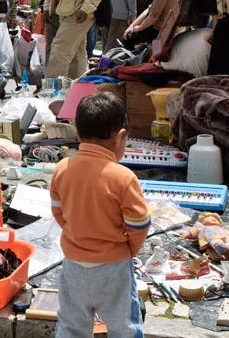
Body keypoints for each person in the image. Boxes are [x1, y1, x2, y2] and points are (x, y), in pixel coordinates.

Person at [50, 91, 149, 338]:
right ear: (120, 137)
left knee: (71, 325)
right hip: (113, 268)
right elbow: (139, 224)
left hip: (73, 263)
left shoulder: (62, 168)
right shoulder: (123, 177)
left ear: (78, 134)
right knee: (123, 326)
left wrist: (77, 233)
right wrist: (129, 249)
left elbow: (58, 211)